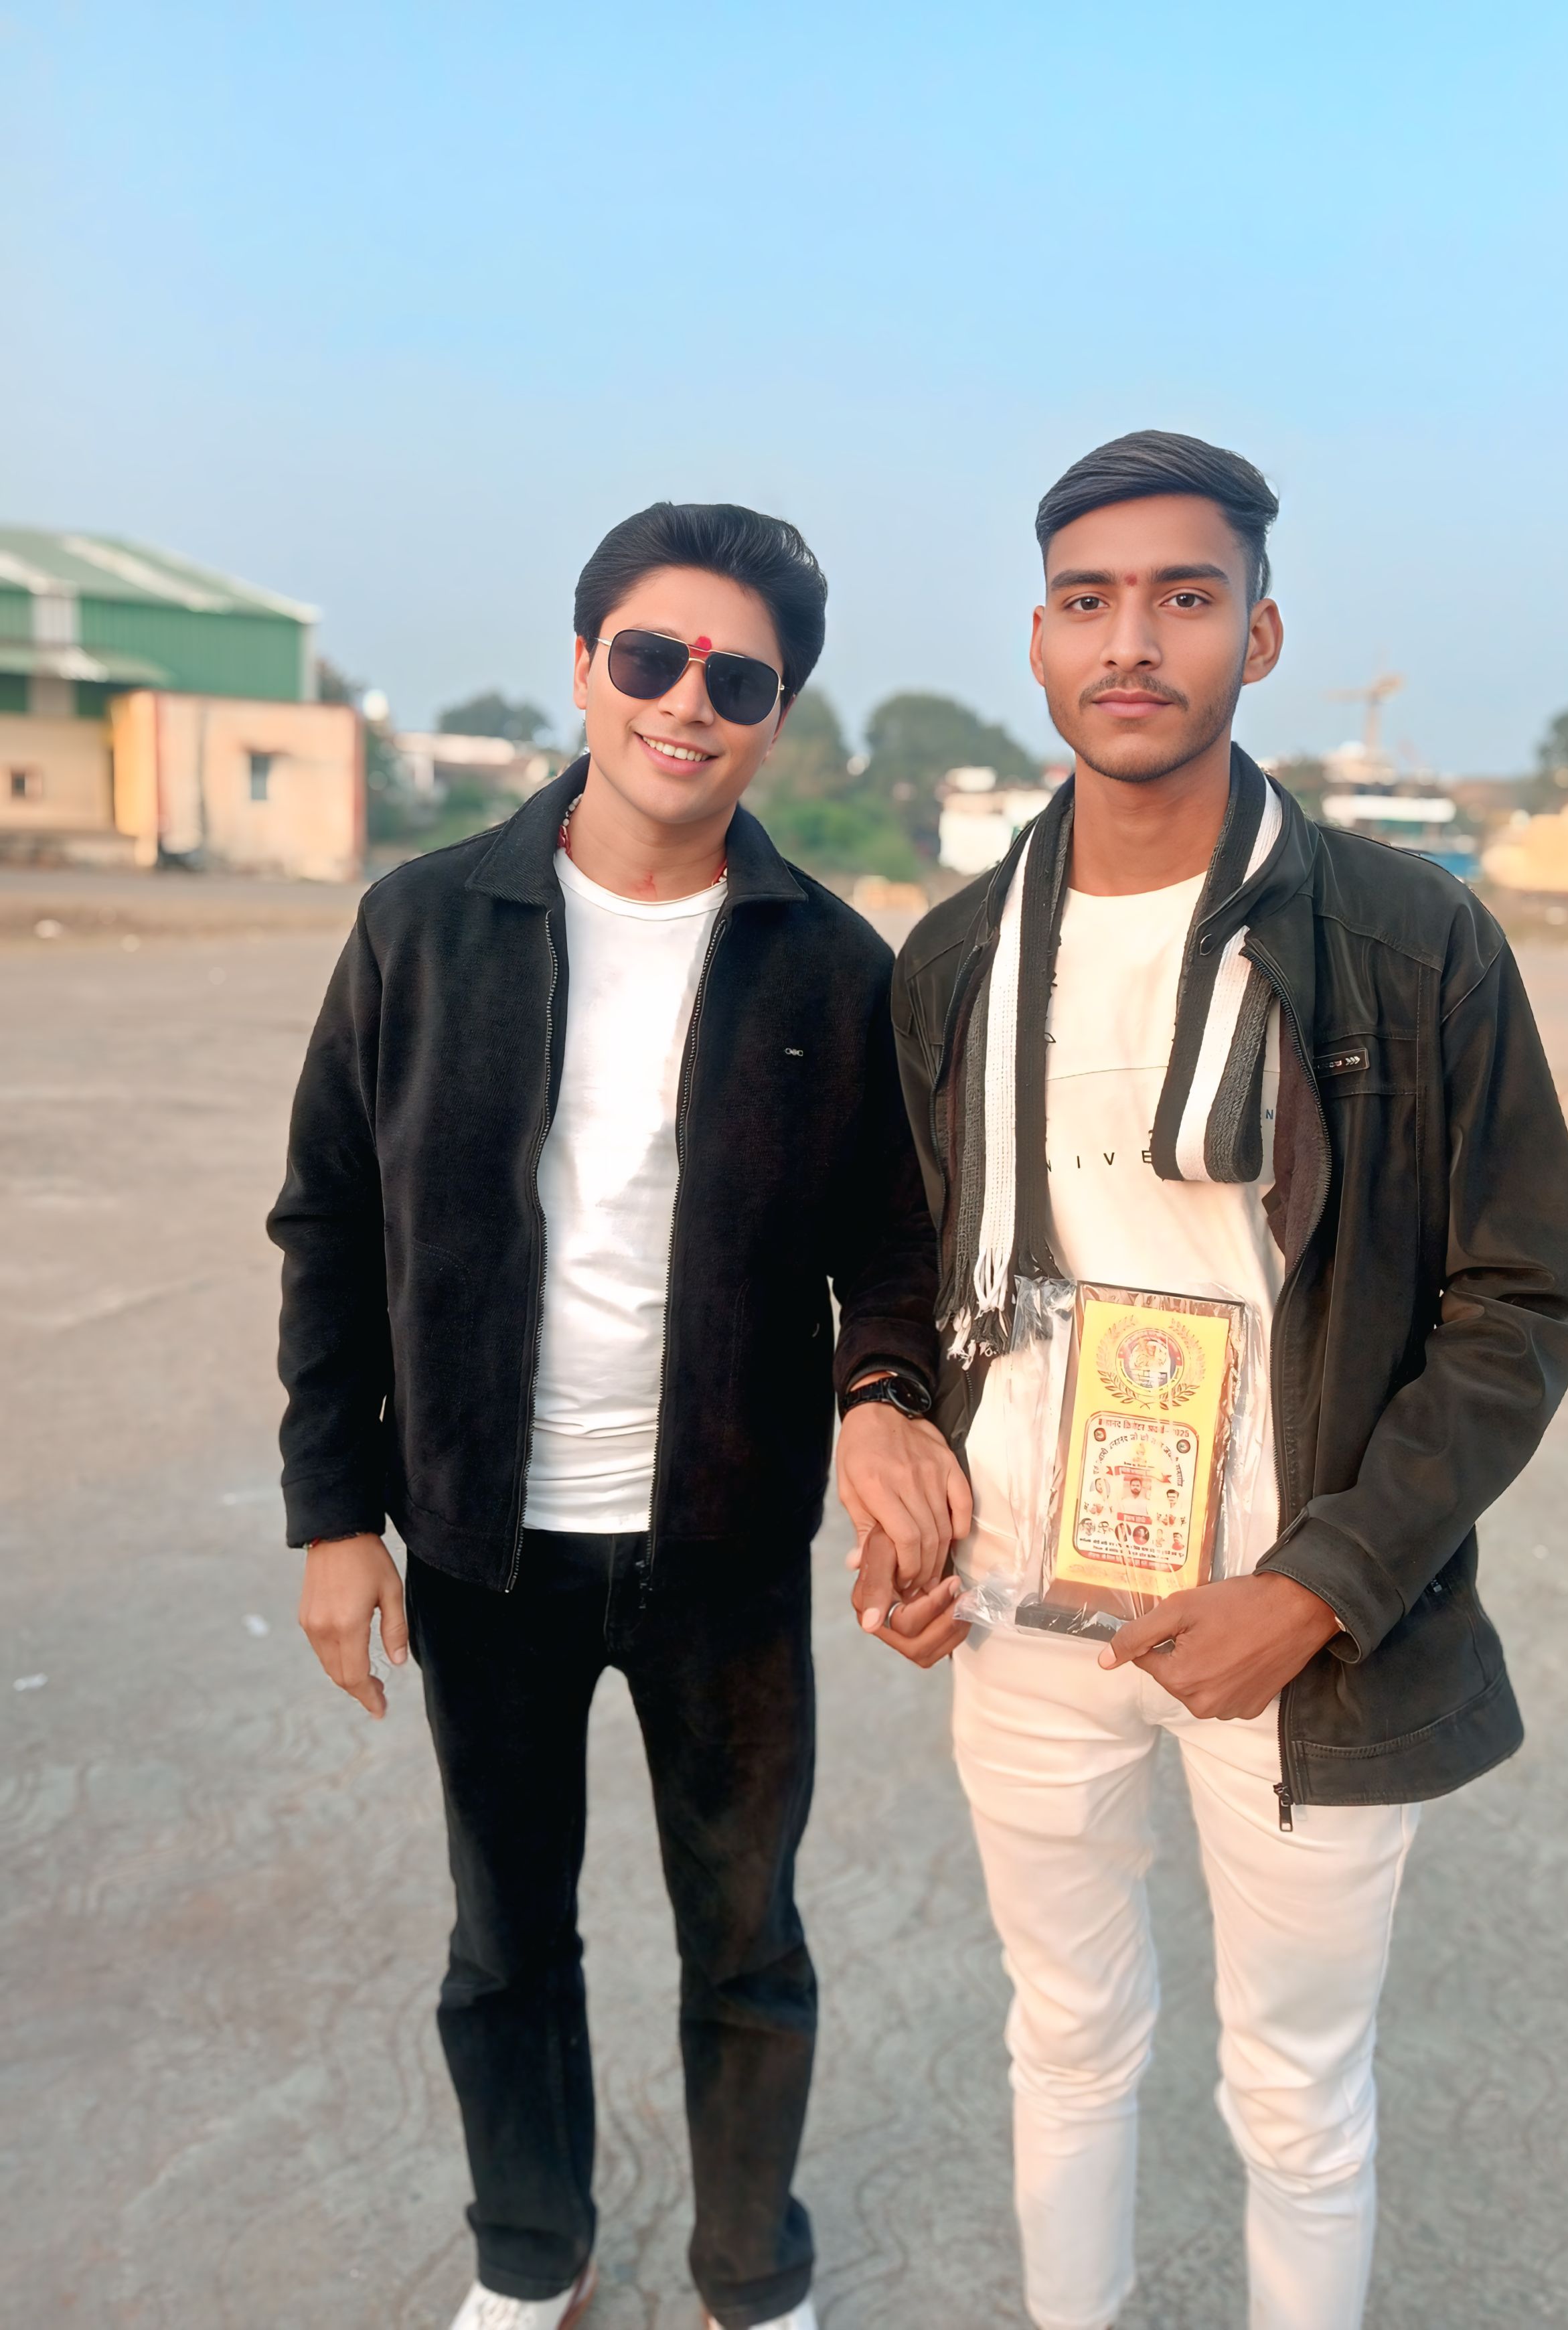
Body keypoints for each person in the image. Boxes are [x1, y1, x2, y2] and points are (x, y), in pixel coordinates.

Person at [859, 431, 1568, 2330]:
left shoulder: (1408, 940)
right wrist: (892, 1456)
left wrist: (1322, 1585)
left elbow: (1522, 1298)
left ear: (1258, 636)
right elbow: (901, 1278)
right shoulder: (954, 960)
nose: (1133, 641)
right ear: (1039, 640)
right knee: (1063, 2039)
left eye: (1184, 598)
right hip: (1021, 1609)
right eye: (1089, 601)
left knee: (1296, 2091)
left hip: (1297, 1626)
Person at [269, 501, 967, 2330]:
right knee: (506, 1943)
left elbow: (894, 1251)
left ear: (778, 717)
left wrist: (885, 1399)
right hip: (482, 1541)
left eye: (739, 680)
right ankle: (533, 2256)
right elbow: (329, 1222)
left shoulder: (831, 962)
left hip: (722, 1552)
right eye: (651, 658)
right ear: (584, 665)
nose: (686, 704)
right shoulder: (425, 926)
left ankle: (751, 2270)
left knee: (747, 1941)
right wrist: (335, 1513)